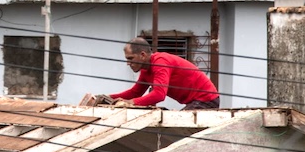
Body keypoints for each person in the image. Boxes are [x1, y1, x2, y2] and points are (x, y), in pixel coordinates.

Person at [90, 37, 220, 110]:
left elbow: (159, 94)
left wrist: (130, 103)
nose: (128, 63)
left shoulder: (160, 62)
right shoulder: (146, 68)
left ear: (142, 55)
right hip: (195, 101)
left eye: (130, 59)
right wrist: (106, 97)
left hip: (206, 99)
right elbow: (135, 92)